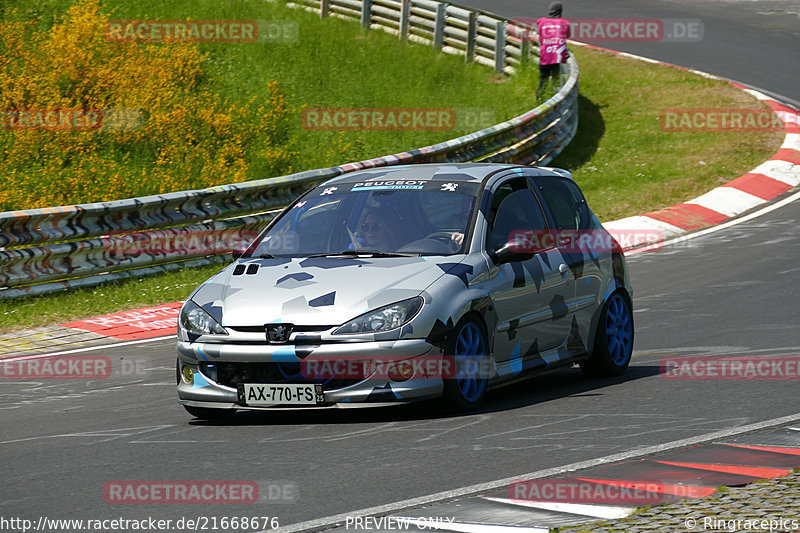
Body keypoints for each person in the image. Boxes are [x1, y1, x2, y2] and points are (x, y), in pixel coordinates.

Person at [536, 1, 571, 100]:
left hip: (545, 55)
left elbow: (540, 33)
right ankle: (555, 100)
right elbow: (567, 35)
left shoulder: (541, 21)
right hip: (558, 56)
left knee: (543, 80)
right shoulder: (565, 23)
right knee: (556, 80)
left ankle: (539, 100)